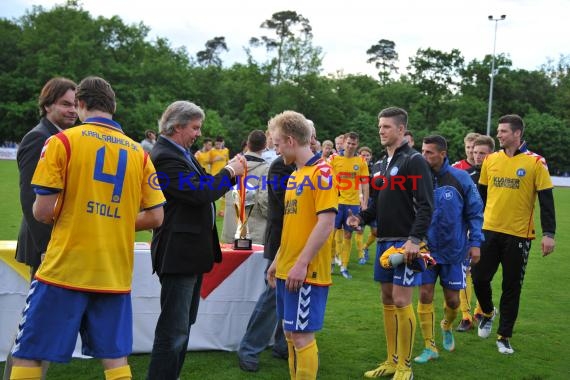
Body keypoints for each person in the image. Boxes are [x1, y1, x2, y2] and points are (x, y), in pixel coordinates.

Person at [10, 76, 165, 380]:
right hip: (113, 271)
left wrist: (83, 217)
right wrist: (112, 221)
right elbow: (156, 217)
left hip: (65, 267)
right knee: (115, 358)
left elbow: (41, 212)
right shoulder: (140, 153)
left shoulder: (61, 142)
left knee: (30, 352)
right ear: (114, 106)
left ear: (81, 104)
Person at [146, 101, 245, 379]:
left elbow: (201, 190)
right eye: (194, 127)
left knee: (182, 327)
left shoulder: (180, 153)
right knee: (173, 330)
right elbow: (199, 193)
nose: (198, 134)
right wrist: (229, 172)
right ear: (177, 126)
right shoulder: (166, 156)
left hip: (188, 252)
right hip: (179, 253)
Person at [347, 107, 433, 380]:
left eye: (386, 126)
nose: (381, 130)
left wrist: (414, 240)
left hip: (405, 243)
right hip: (383, 241)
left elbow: (426, 206)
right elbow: (376, 205)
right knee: (386, 298)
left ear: (400, 129)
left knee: (400, 299)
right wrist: (360, 218)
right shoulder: (379, 165)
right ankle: (390, 360)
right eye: (379, 126)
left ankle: (405, 366)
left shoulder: (414, 160)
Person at [3, 77, 78, 380]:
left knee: (42, 321)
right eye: (65, 104)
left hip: (57, 243)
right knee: (36, 323)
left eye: (75, 104)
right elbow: (30, 199)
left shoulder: (62, 137)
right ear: (47, 105)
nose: (72, 110)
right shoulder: (39, 138)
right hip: (46, 245)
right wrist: (49, 248)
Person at [472, 114, 556, 355]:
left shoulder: (536, 162)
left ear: (517, 133)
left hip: (519, 235)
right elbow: (481, 197)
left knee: (511, 287)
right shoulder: (491, 160)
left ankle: (504, 336)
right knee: (478, 278)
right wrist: (473, 225)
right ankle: (487, 312)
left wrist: (548, 233)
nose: (498, 135)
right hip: (488, 230)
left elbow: (547, 201)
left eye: (503, 131)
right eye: (498, 131)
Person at [266, 110, 337, 380]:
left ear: (291, 140)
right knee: (289, 334)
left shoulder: (323, 172)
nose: (275, 150)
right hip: (287, 267)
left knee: (301, 335)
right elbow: (292, 226)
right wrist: (278, 260)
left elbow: (326, 223)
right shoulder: (296, 175)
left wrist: (301, 263)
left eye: (276, 144)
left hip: (305, 272)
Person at [413, 135, 483, 364]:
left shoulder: (460, 178)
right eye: (422, 151)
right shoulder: (419, 178)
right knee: (424, 293)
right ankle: (429, 346)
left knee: (453, 302)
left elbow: (475, 213)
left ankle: (446, 325)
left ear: (442, 154)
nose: (424, 156)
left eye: (429, 152)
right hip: (426, 248)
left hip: (454, 251)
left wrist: (475, 244)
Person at [237, 145, 295, 373]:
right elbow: (286, 205)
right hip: (280, 239)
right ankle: (249, 349)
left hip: (297, 240)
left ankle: (283, 345)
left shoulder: (305, 166)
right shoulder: (281, 165)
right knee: (274, 296)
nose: (313, 144)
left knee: (290, 294)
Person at [456, 134, 495, 332]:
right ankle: (466, 315)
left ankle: (481, 310)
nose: (473, 152)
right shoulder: (459, 170)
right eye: (470, 148)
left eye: (478, 150)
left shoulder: (493, 170)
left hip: (490, 227)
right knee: (466, 270)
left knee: (482, 272)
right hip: (467, 226)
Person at [329, 132, 369, 279]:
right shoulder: (334, 159)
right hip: (336, 203)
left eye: (354, 144)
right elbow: (326, 180)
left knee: (348, 234)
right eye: (349, 143)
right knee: (331, 234)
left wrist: (364, 203)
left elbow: (365, 183)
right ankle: (331, 261)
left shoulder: (361, 161)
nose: (351, 146)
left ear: (357, 145)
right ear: (344, 142)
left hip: (352, 204)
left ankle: (344, 266)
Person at [221, 130, 269, 244]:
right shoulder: (266, 169)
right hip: (254, 231)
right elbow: (264, 200)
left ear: (247, 144)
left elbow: (222, 191)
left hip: (231, 229)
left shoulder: (231, 165)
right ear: (265, 146)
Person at [356, 146, 377, 264]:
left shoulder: (375, 168)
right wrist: (361, 200)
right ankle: (361, 255)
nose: (365, 157)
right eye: (363, 155)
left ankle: (365, 247)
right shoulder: (357, 168)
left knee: (375, 231)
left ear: (371, 156)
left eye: (367, 155)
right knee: (360, 230)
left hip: (373, 202)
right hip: (361, 200)